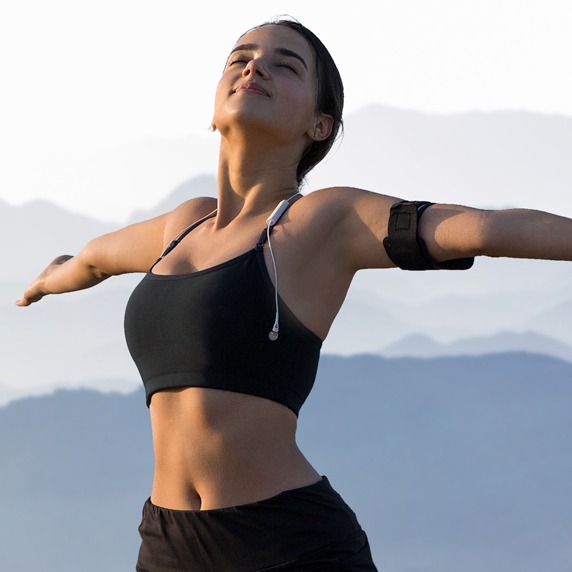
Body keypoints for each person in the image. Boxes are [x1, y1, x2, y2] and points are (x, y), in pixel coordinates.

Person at [16, 16, 572, 572]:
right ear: (213, 109)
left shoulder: (323, 221)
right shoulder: (183, 226)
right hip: (167, 545)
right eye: (240, 58)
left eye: (286, 65)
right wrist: (49, 278)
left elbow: (483, 228)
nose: (254, 66)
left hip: (287, 545)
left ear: (320, 125)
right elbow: (92, 259)